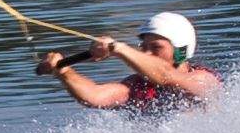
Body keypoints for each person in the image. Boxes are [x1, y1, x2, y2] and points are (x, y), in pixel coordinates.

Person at [39, 12, 220, 113]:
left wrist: (119, 49)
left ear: (181, 51)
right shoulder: (137, 87)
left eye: (156, 47)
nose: (146, 53)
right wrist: (64, 73)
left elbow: (166, 76)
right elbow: (94, 97)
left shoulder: (203, 80)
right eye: (143, 46)